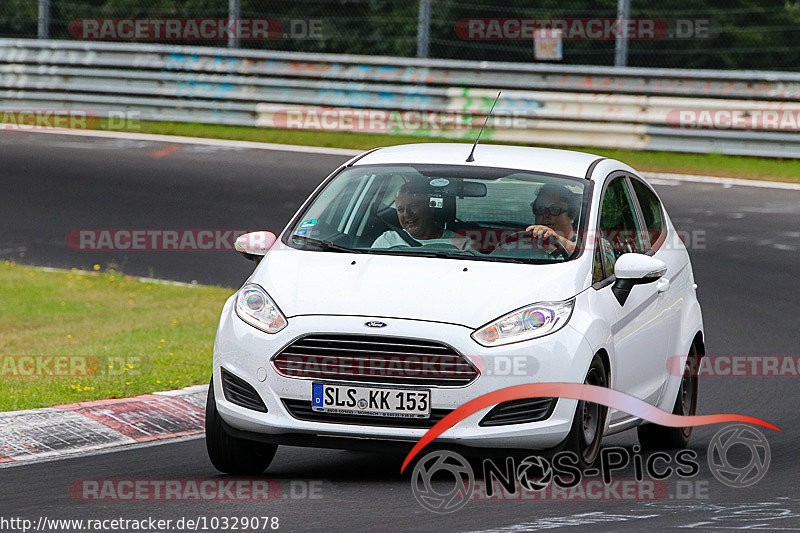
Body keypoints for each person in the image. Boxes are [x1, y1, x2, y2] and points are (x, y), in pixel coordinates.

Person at [372, 181, 465, 248]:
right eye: (400, 209)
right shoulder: (386, 241)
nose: (406, 214)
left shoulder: (461, 244)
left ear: (431, 207)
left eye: (413, 206)